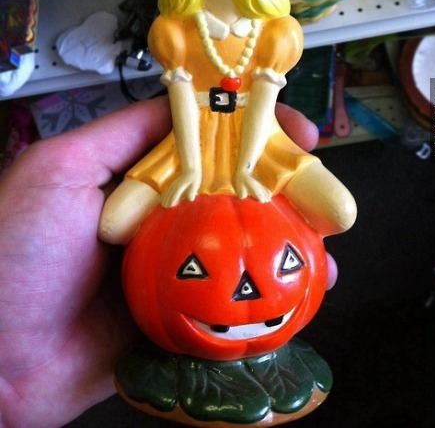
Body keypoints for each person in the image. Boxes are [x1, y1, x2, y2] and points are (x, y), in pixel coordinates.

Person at [0, 97, 337, 427]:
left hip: (251, 187)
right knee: (115, 223)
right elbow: (114, 226)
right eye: (194, 271)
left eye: (288, 264)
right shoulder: (180, 112)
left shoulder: (267, 130)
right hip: (183, 191)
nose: (244, 292)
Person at [99, 0, 356, 246]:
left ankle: (281, 247)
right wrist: (191, 168)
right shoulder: (172, 31)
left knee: (340, 211)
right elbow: (183, 101)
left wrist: (246, 168)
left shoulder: (277, 31)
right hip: (189, 143)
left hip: (262, 141)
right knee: (114, 225)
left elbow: (263, 105)